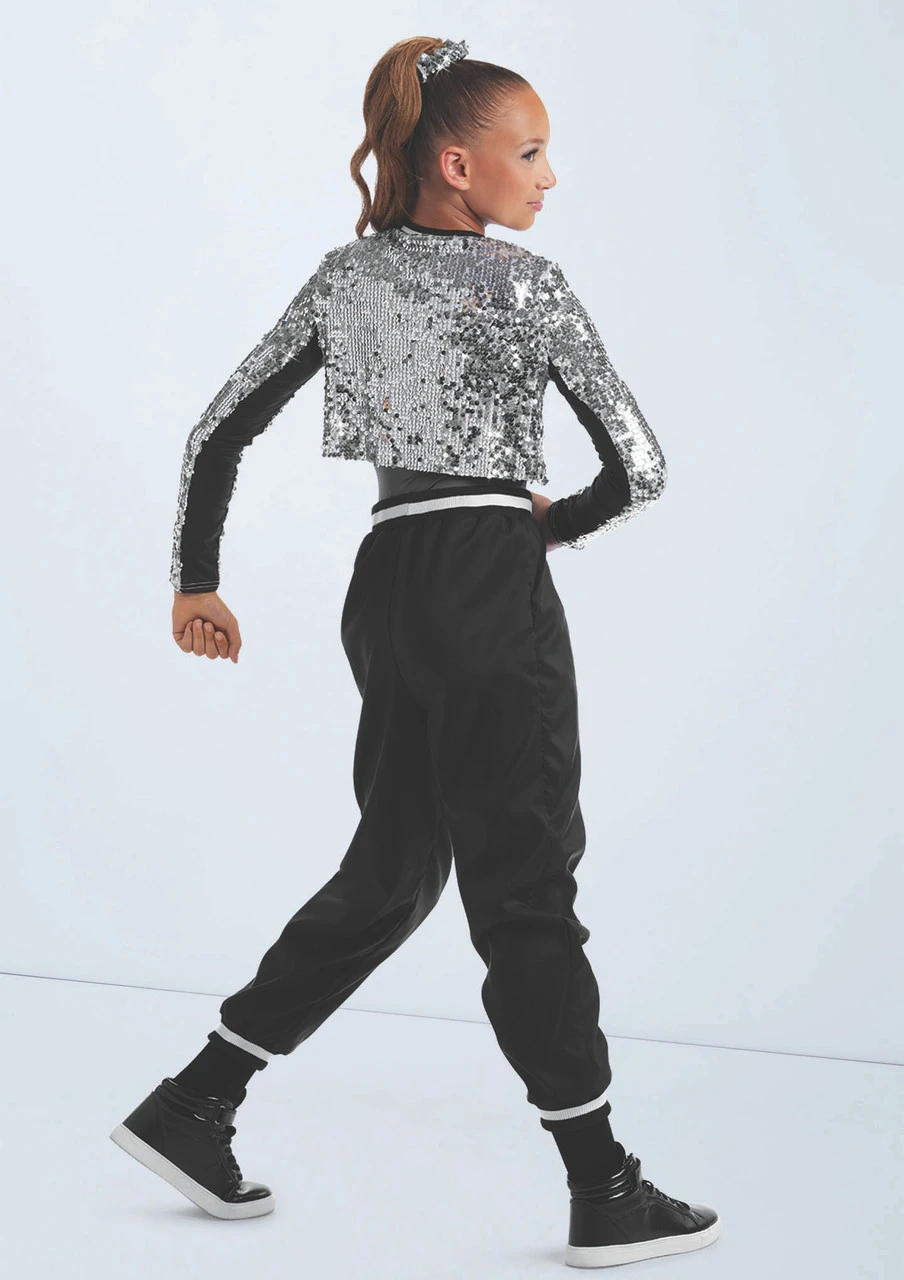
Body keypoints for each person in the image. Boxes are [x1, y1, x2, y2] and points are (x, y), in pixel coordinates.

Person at [109, 35, 720, 1269]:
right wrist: (549, 525)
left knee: (394, 865)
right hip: (489, 576)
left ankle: (194, 1100)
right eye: (529, 152)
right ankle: (603, 1185)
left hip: (386, 582)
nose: (548, 176)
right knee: (525, 879)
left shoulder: (346, 278)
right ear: (457, 164)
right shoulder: (527, 287)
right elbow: (641, 466)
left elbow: (215, 432)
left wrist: (195, 581)